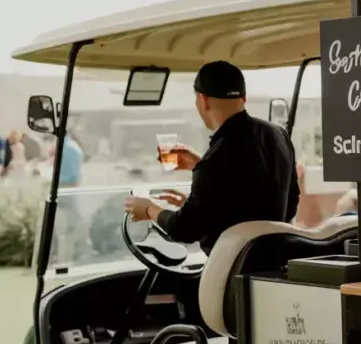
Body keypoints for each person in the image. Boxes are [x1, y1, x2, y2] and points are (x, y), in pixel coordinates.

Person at [124, 60, 300, 254]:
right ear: (244, 98)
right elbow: (287, 203)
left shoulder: (215, 159)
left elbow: (184, 229)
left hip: (231, 269)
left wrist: (148, 209)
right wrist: (200, 192)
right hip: (274, 261)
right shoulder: (278, 135)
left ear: (203, 99)